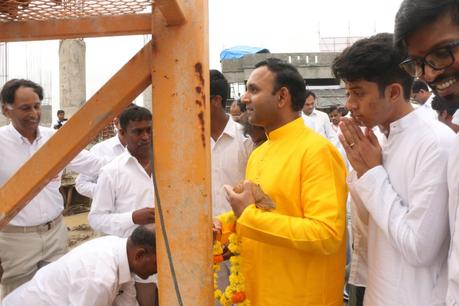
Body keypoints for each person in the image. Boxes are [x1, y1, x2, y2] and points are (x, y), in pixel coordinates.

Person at [332, 33, 454, 306]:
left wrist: (372, 176)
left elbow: (419, 249)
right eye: (348, 92)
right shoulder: (376, 139)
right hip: (375, 289)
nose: (350, 105)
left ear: (394, 92)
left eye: (359, 92)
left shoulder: (434, 144)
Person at [223, 58, 347, 305]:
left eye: (254, 90)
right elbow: (267, 211)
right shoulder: (259, 153)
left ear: (282, 97)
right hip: (260, 293)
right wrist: (224, 226)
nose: (245, 98)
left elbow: (326, 234)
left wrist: (247, 217)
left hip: (300, 297)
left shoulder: (316, 151)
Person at [0, 79, 104, 299]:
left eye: (37, 106)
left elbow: (95, 165)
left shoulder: (55, 139)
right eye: (25, 108)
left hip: (55, 232)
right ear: (6, 110)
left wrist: (141, 162)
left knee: (58, 293)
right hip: (16, 240)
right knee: (19, 297)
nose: (33, 113)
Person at [394, 1, 459, 304]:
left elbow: (421, 247)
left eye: (441, 54)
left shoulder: (439, 141)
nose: (429, 75)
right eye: (417, 64)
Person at [88, 105, 155, 306]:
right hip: (134, 264)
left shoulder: (171, 164)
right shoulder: (112, 172)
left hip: (170, 257)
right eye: (138, 131)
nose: (145, 137)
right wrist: (132, 218)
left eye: (149, 130)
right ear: (123, 133)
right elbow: (96, 219)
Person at [2, 225, 157, 306]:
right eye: (157, 263)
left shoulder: (121, 250)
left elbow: (127, 301)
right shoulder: (99, 279)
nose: (158, 271)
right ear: (139, 255)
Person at [209, 70, 253, 301]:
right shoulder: (190, 141)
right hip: (206, 242)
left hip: (241, 241)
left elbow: (257, 194)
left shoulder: (246, 139)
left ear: (216, 101)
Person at [75, 104, 136, 198]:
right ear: (116, 122)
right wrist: (107, 193)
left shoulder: (150, 148)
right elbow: (82, 184)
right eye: (126, 124)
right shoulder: (100, 149)